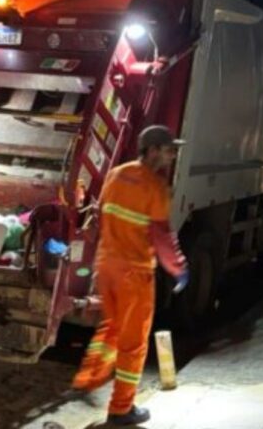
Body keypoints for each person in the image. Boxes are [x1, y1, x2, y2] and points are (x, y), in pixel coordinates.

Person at [71, 125, 190, 426]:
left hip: (106, 266)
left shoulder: (116, 173)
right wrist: (179, 269)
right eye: (168, 148)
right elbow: (162, 237)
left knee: (110, 327)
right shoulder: (155, 187)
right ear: (151, 150)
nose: (172, 154)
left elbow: (101, 214)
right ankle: (122, 408)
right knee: (133, 342)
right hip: (134, 274)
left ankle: (89, 377)